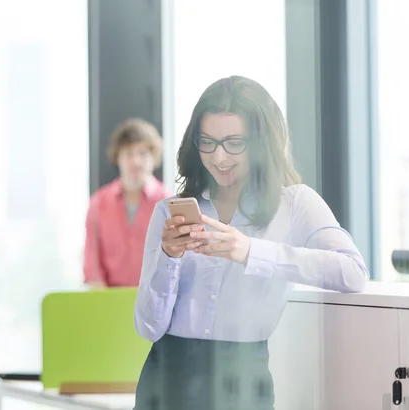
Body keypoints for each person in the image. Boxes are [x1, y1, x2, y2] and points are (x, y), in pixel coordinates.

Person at [133, 76, 369, 410]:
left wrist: (251, 252)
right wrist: (169, 256)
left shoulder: (296, 204)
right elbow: (148, 326)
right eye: (208, 142)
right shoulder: (170, 211)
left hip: (243, 382)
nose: (219, 156)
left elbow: (353, 272)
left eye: (234, 143)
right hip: (164, 377)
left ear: (261, 142)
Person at [83, 118, 172, 288]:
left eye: (143, 153)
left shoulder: (170, 203)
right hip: (110, 303)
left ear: (154, 157)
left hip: (158, 302)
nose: (136, 161)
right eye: (128, 154)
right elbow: (92, 267)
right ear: (118, 158)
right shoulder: (97, 204)